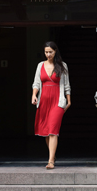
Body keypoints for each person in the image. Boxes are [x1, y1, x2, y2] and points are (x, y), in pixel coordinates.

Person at [31, 41, 71, 169]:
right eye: (46, 52)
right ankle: (52, 155)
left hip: (57, 102)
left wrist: (69, 101)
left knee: (53, 131)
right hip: (43, 101)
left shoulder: (62, 66)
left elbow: (66, 85)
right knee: (46, 132)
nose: (48, 54)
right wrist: (34, 95)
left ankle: (50, 161)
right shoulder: (40, 65)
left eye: (50, 52)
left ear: (55, 52)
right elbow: (36, 83)